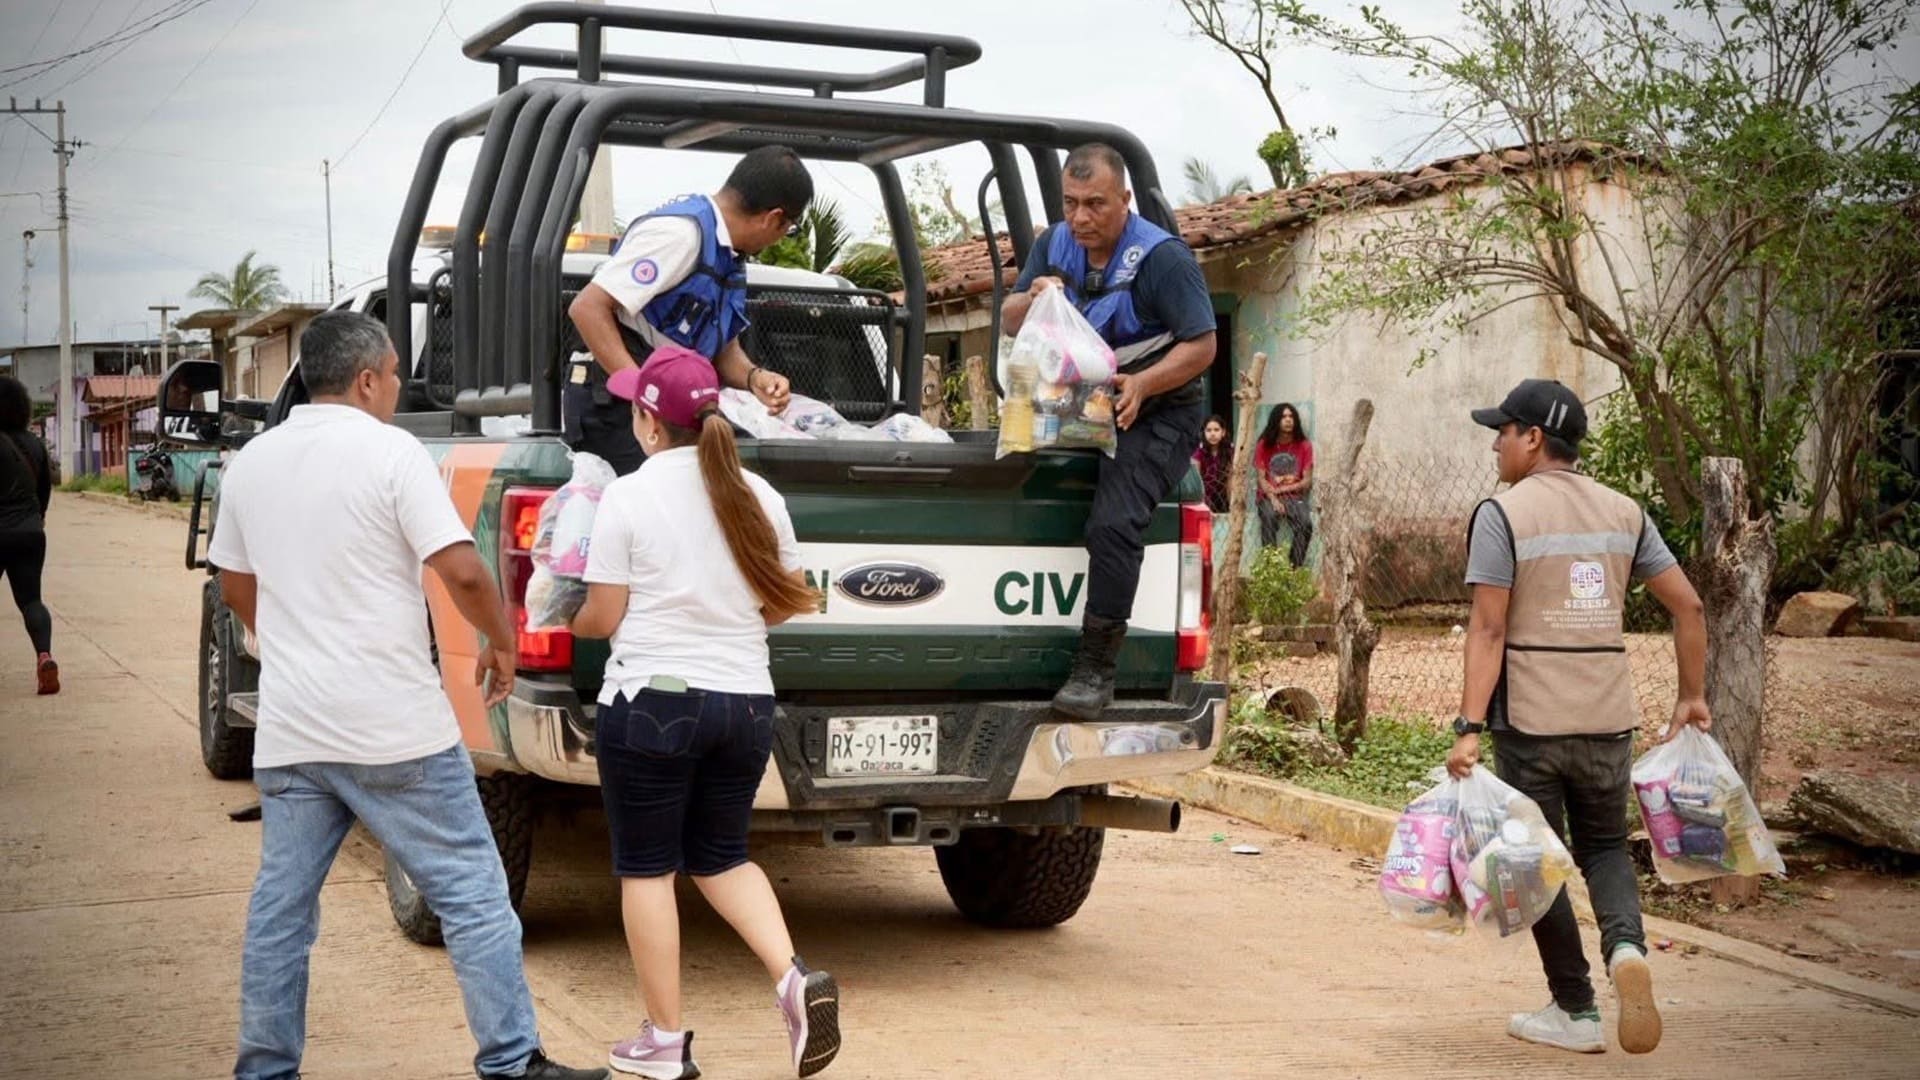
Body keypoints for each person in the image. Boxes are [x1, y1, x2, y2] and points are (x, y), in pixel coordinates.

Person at [209, 312, 605, 1080]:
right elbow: (459, 570)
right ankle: (511, 1060)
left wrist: (283, 643)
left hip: (294, 731)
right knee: (474, 893)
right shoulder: (392, 452)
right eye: (393, 376)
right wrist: (502, 640)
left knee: (282, 911)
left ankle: (264, 1069)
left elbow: (234, 584)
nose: (396, 389)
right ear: (365, 380)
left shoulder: (253, 460)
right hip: (396, 732)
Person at [570, 344, 839, 1080]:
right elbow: (777, 608)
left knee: (647, 869)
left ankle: (661, 1040)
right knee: (721, 855)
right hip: (745, 706)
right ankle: (791, 979)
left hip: (653, 703)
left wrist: (563, 614)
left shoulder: (627, 494)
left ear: (650, 423)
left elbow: (604, 614)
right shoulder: (762, 495)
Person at [1444, 378, 1708, 1057]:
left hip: (1531, 721)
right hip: (1607, 715)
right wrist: (1691, 695)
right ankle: (1626, 949)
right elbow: (1690, 607)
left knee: (1535, 862)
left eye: (1502, 431)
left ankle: (1577, 1008)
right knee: (1604, 848)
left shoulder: (1502, 515)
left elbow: (1489, 628)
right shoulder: (1625, 512)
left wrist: (1468, 727)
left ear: (1533, 439)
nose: (1496, 443)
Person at [1001, 142, 1218, 720]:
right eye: (1071, 203)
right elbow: (1009, 315)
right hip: (1074, 402)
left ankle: (1095, 669)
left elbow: (1203, 344)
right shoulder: (1054, 242)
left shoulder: (1161, 258)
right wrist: (1035, 296)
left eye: (1095, 204)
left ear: (1124, 199)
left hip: (1156, 408)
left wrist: (1144, 385)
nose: (1081, 218)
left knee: (1114, 521)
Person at [566, 145, 814, 475]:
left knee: (735, 479)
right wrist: (645, 396)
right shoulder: (680, 234)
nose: (782, 238)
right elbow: (587, 308)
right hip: (620, 407)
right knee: (667, 504)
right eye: (790, 228)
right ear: (774, 218)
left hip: (670, 404)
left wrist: (755, 378)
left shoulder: (728, 255)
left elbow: (723, 350)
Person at [0, 374, 57, 695]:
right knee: (31, 600)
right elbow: (44, 493)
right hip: (31, 532)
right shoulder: (35, 444)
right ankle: (44, 656)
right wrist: (37, 519)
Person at [1253, 402, 1314, 567]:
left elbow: (1307, 481)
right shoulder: (1264, 445)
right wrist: (1273, 498)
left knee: (1305, 524)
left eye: (1291, 416)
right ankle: (1272, 569)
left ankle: (1294, 569)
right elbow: (1261, 478)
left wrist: (1282, 489)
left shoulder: (1304, 445)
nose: (1288, 420)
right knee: (1269, 518)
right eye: (1284, 417)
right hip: (1267, 496)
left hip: (1294, 497)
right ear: (1276, 420)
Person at [1192, 414, 1233, 515]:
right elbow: (1196, 483)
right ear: (1204, 433)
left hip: (1224, 498)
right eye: (1208, 430)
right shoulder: (1198, 453)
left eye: (1216, 430)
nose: (1212, 434)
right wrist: (1204, 507)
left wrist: (1233, 506)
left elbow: (1231, 481)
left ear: (1223, 432)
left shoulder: (1230, 452)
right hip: (1204, 498)